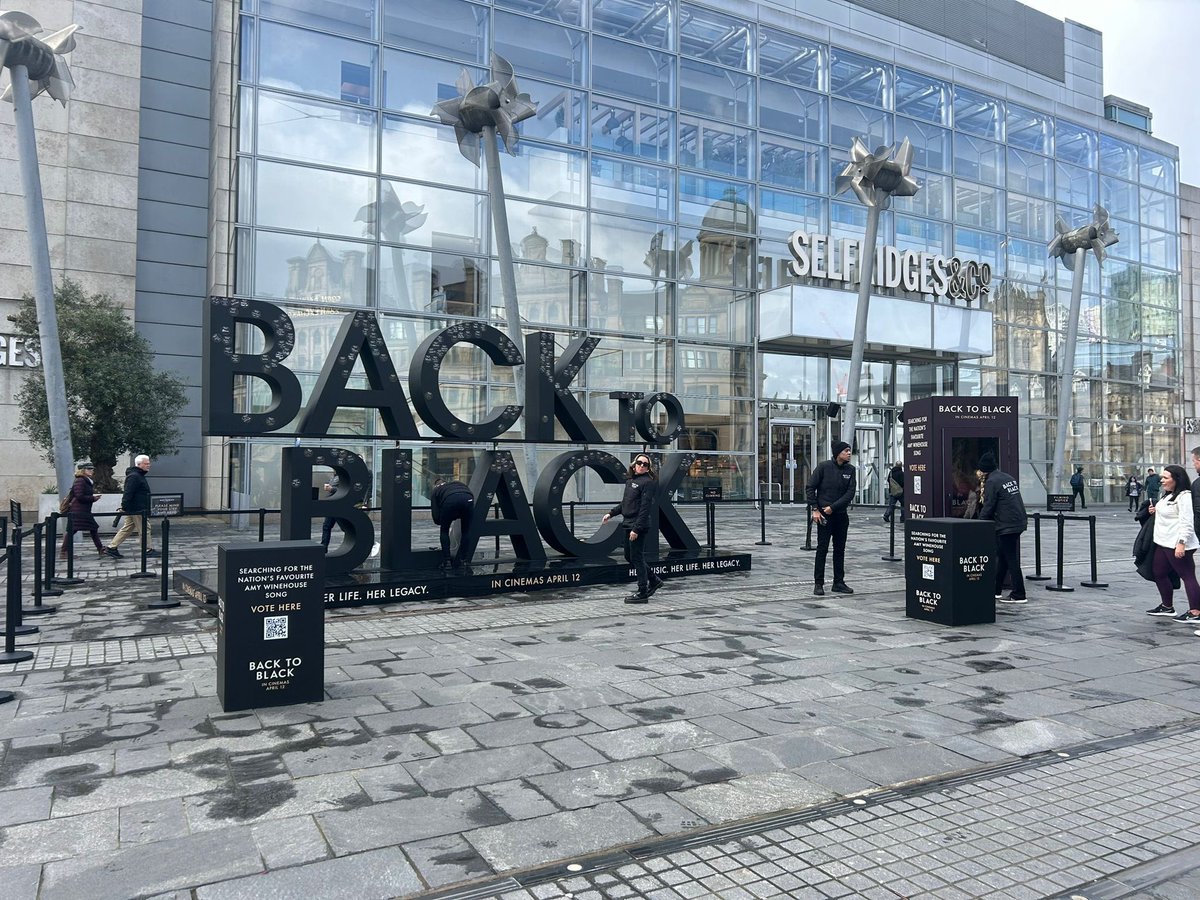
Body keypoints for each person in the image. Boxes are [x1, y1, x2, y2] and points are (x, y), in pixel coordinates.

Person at [603, 454, 662, 604]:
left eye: (645, 465)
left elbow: (645, 508)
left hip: (638, 525)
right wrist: (611, 513)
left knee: (636, 557)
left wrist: (636, 529)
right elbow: (625, 503)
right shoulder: (630, 481)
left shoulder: (648, 482)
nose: (642, 466)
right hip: (627, 523)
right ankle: (654, 580)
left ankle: (643, 591)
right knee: (630, 557)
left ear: (648, 468)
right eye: (639, 463)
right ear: (634, 464)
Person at [1143, 464, 1200, 622]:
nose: (1162, 480)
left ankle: (1196, 612)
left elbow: (1187, 522)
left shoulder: (1184, 496)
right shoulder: (1169, 495)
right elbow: (1169, 513)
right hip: (1163, 542)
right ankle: (1167, 607)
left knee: (1187, 575)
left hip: (1177, 543)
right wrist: (1155, 511)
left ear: (1177, 480)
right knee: (1159, 572)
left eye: (1166, 478)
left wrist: (1181, 543)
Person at [806, 440, 856, 596]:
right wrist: (815, 509)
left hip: (841, 516)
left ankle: (838, 582)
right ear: (838, 453)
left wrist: (833, 508)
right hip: (824, 517)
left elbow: (850, 493)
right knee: (822, 549)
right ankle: (818, 583)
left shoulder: (851, 470)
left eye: (850, 450)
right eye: (846, 450)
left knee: (839, 550)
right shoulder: (823, 467)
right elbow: (810, 487)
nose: (849, 453)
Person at [977, 452, 1027, 604]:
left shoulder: (992, 482)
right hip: (1017, 522)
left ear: (984, 470)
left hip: (1006, 525)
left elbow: (989, 504)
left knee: (1010, 559)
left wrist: (979, 523)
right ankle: (996, 590)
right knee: (1003, 556)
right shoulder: (1007, 477)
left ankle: (1019, 594)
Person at [105, 454, 156, 559]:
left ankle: (112, 547)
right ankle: (147, 549)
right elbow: (128, 492)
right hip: (137, 508)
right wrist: (124, 506)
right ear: (139, 464)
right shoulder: (135, 476)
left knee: (127, 528)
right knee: (145, 528)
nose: (149, 465)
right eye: (146, 463)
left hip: (135, 507)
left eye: (149, 463)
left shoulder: (137, 475)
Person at [60, 462, 106, 558]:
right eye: (89, 469)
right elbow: (79, 496)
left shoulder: (85, 480)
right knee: (73, 530)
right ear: (83, 470)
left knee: (92, 529)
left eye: (92, 469)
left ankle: (100, 549)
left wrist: (92, 498)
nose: (91, 471)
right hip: (78, 510)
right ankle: (64, 552)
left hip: (83, 510)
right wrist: (93, 498)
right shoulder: (80, 480)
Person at [431, 476, 474, 572]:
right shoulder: (457, 483)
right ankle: (463, 562)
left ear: (436, 485)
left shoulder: (436, 490)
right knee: (466, 531)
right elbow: (466, 493)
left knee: (444, 531)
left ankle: (447, 563)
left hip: (450, 500)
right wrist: (459, 514)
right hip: (468, 498)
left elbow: (436, 519)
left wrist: (447, 517)